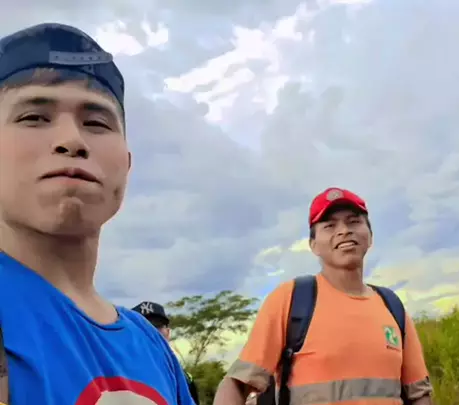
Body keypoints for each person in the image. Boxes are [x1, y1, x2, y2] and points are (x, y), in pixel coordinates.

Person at [0, 23, 194, 404]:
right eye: (34, 117)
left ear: (127, 163)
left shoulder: (152, 346)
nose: (71, 140)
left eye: (96, 123)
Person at [213, 187, 433, 405]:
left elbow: (419, 394)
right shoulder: (290, 299)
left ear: (370, 236)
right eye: (329, 226)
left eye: (353, 221)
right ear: (313, 245)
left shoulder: (392, 307)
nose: (344, 231)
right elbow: (237, 383)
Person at [132, 301, 201, 404]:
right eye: (143, 327)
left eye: (157, 326)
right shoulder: (117, 374)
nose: (152, 333)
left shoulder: (184, 379)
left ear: (168, 333)